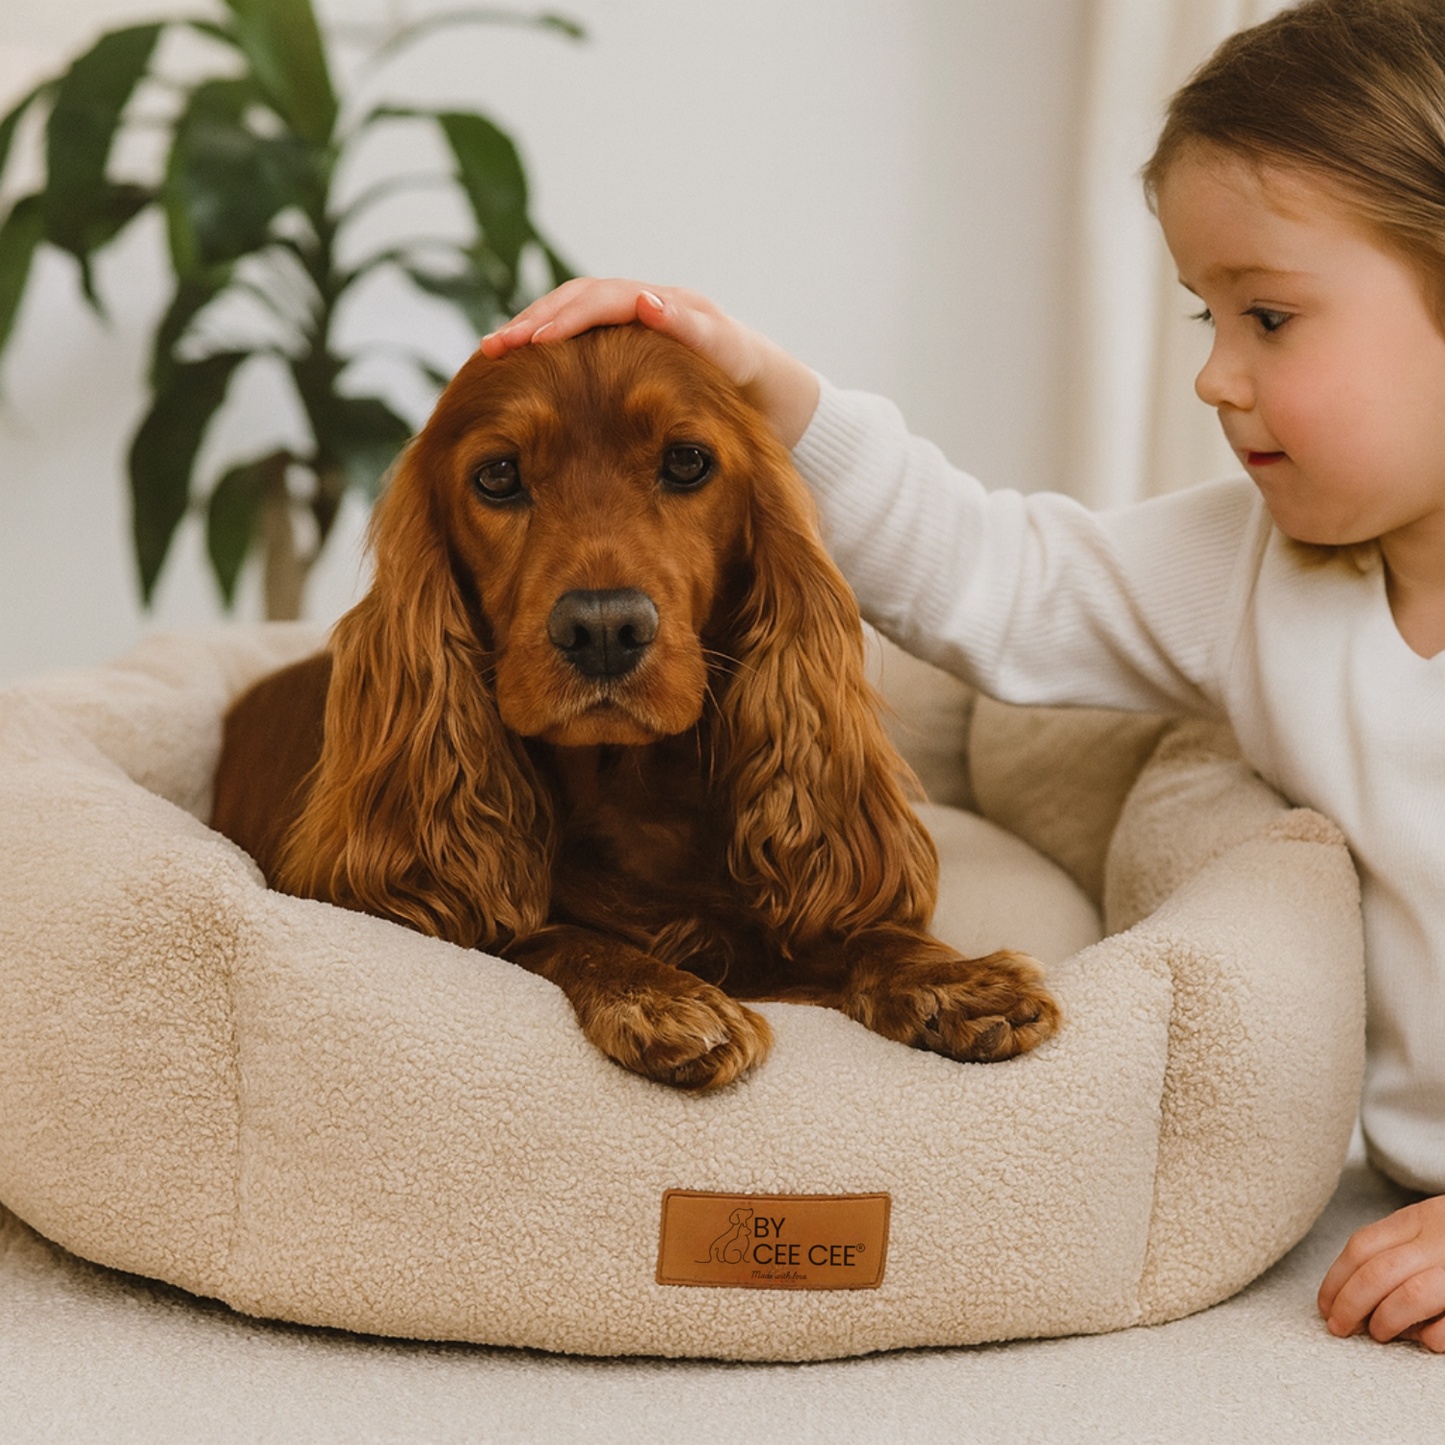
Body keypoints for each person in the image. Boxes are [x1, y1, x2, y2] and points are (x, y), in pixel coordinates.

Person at [481, 0, 1445, 1350]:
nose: (1216, 376)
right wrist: (771, 390)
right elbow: (998, 577)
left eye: (1270, 317)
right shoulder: (1247, 572)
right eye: (1204, 314)